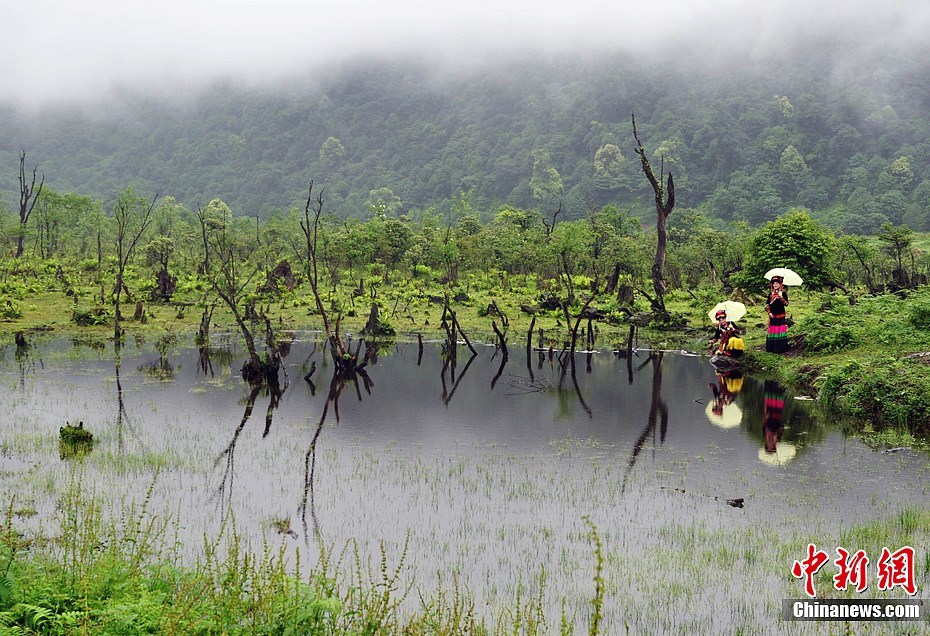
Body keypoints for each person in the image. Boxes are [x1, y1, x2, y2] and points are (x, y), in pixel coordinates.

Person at [765, 276, 789, 353]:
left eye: (777, 283)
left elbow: (786, 304)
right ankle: (772, 347)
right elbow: (767, 305)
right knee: (773, 330)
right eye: (774, 283)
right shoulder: (770, 294)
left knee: (780, 330)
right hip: (773, 315)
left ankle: (781, 348)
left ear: (780, 285)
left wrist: (781, 297)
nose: (775, 285)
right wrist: (769, 312)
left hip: (781, 315)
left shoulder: (783, 293)